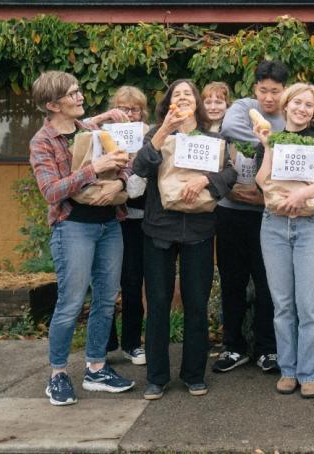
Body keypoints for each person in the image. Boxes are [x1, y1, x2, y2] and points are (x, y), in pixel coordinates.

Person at [29, 71, 135, 406]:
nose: (79, 97)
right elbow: (51, 191)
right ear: (52, 104)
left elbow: (126, 167)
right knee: (71, 303)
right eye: (72, 94)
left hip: (110, 224)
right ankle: (57, 374)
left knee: (106, 300)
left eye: (78, 91)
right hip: (73, 226)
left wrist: (120, 180)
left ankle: (96, 369)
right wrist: (94, 168)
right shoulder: (42, 142)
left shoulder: (91, 131)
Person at [134, 79, 236, 400]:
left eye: (187, 94)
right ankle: (157, 377)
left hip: (199, 229)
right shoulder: (155, 135)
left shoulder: (212, 138)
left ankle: (193, 374)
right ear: (168, 104)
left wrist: (207, 178)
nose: (182, 98)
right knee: (159, 303)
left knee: (196, 302)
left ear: (197, 103)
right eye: (176, 95)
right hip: (158, 229)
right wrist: (164, 131)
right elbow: (140, 167)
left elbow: (230, 174)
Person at [253, 83, 314, 399]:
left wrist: (303, 193)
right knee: (282, 305)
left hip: (310, 227)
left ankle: (311, 372)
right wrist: (266, 147)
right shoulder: (271, 138)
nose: (303, 109)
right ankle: (288, 370)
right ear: (286, 105)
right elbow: (261, 182)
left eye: (309, 105)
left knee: (309, 306)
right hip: (274, 227)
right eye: (298, 103)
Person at [213, 61, 288, 374]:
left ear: (284, 90)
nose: (268, 97)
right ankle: (233, 346)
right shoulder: (243, 107)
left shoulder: (289, 114)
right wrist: (272, 142)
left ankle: (267, 348)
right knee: (232, 282)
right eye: (263, 90)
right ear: (255, 88)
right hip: (231, 212)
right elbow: (229, 130)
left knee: (269, 284)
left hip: (269, 214)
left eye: (275, 91)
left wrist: (266, 193)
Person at [104, 85, 151, 366]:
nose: (129, 113)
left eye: (134, 109)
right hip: (110, 218)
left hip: (138, 219)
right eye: (123, 108)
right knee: (105, 283)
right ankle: (105, 342)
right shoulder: (104, 136)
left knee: (133, 282)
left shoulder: (149, 136)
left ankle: (132, 343)